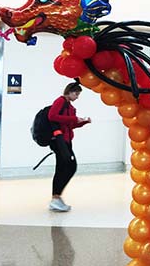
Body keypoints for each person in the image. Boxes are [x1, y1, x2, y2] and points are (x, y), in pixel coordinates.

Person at [47, 82, 91, 212]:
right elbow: (52, 116)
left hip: (66, 140)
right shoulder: (60, 101)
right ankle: (55, 198)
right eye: (76, 93)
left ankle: (56, 197)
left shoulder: (70, 107)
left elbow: (69, 125)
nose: (77, 97)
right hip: (59, 140)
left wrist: (82, 122)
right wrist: (73, 118)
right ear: (69, 92)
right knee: (70, 166)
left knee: (62, 167)